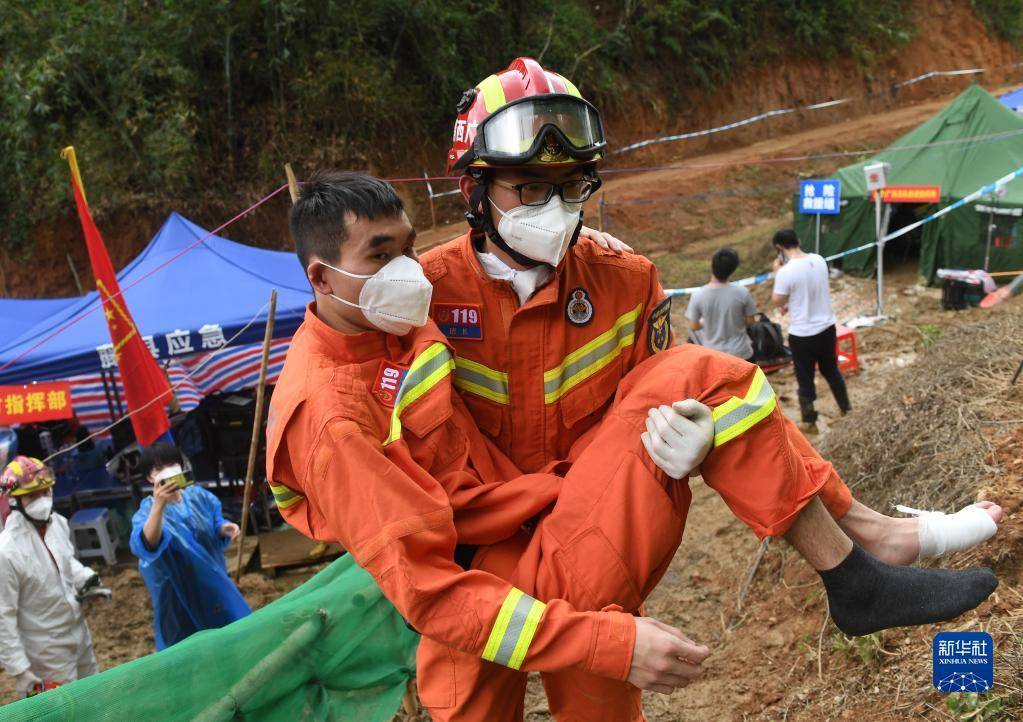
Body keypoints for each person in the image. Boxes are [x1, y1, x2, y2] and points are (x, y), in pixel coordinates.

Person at [270, 172, 999, 722]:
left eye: (406, 248)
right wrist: (611, 644)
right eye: (381, 254)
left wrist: (585, 254)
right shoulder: (329, 417)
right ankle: (871, 554)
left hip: (545, 525)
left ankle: (867, 548)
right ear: (320, 276)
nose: (405, 269)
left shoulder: (388, 313)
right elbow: (426, 591)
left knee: (700, 375)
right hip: (473, 586)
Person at [421, 57, 1004, 718]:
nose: (554, 209)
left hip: (586, 521)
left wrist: (690, 435)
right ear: (473, 188)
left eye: (572, 186)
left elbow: (645, 396)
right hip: (474, 555)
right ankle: (866, 545)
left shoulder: (625, 279)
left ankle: (865, 552)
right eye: (528, 188)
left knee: (602, 702)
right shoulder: (422, 298)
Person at [0, 456, 109, 697]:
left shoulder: (58, 523)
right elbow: (3, 616)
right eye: (32, 496)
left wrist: (87, 579)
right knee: (63, 710)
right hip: (45, 652)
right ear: (14, 501)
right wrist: (19, 670)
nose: (41, 501)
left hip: (78, 630)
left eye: (44, 491)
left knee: (93, 697)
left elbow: (65, 561)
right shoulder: (7, 551)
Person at [130, 442, 249, 650]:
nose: (167, 471)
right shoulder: (147, 511)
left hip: (213, 586)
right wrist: (159, 506)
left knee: (229, 642)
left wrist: (224, 528)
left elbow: (214, 522)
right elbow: (146, 544)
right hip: (176, 596)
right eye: (158, 469)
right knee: (186, 650)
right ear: (150, 477)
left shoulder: (199, 497)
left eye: (170, 464)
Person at [771, 228, 850, 431]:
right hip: (826, 327)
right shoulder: (819, 259)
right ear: (797, 241)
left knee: (804, 376)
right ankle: (846, 409)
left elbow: (777, 300)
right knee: (831, 369)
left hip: (803, 333)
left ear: (779, 248)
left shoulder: (786, 272)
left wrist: (776, 273)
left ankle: (809, 420)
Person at [685, 247, 757, 359]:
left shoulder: (698, 295)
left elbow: (693, 326)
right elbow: (750, 321)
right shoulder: (742, 292)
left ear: (712, 265)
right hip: (742, 353)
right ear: (733, 269)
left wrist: (705, 321)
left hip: (715, 356)